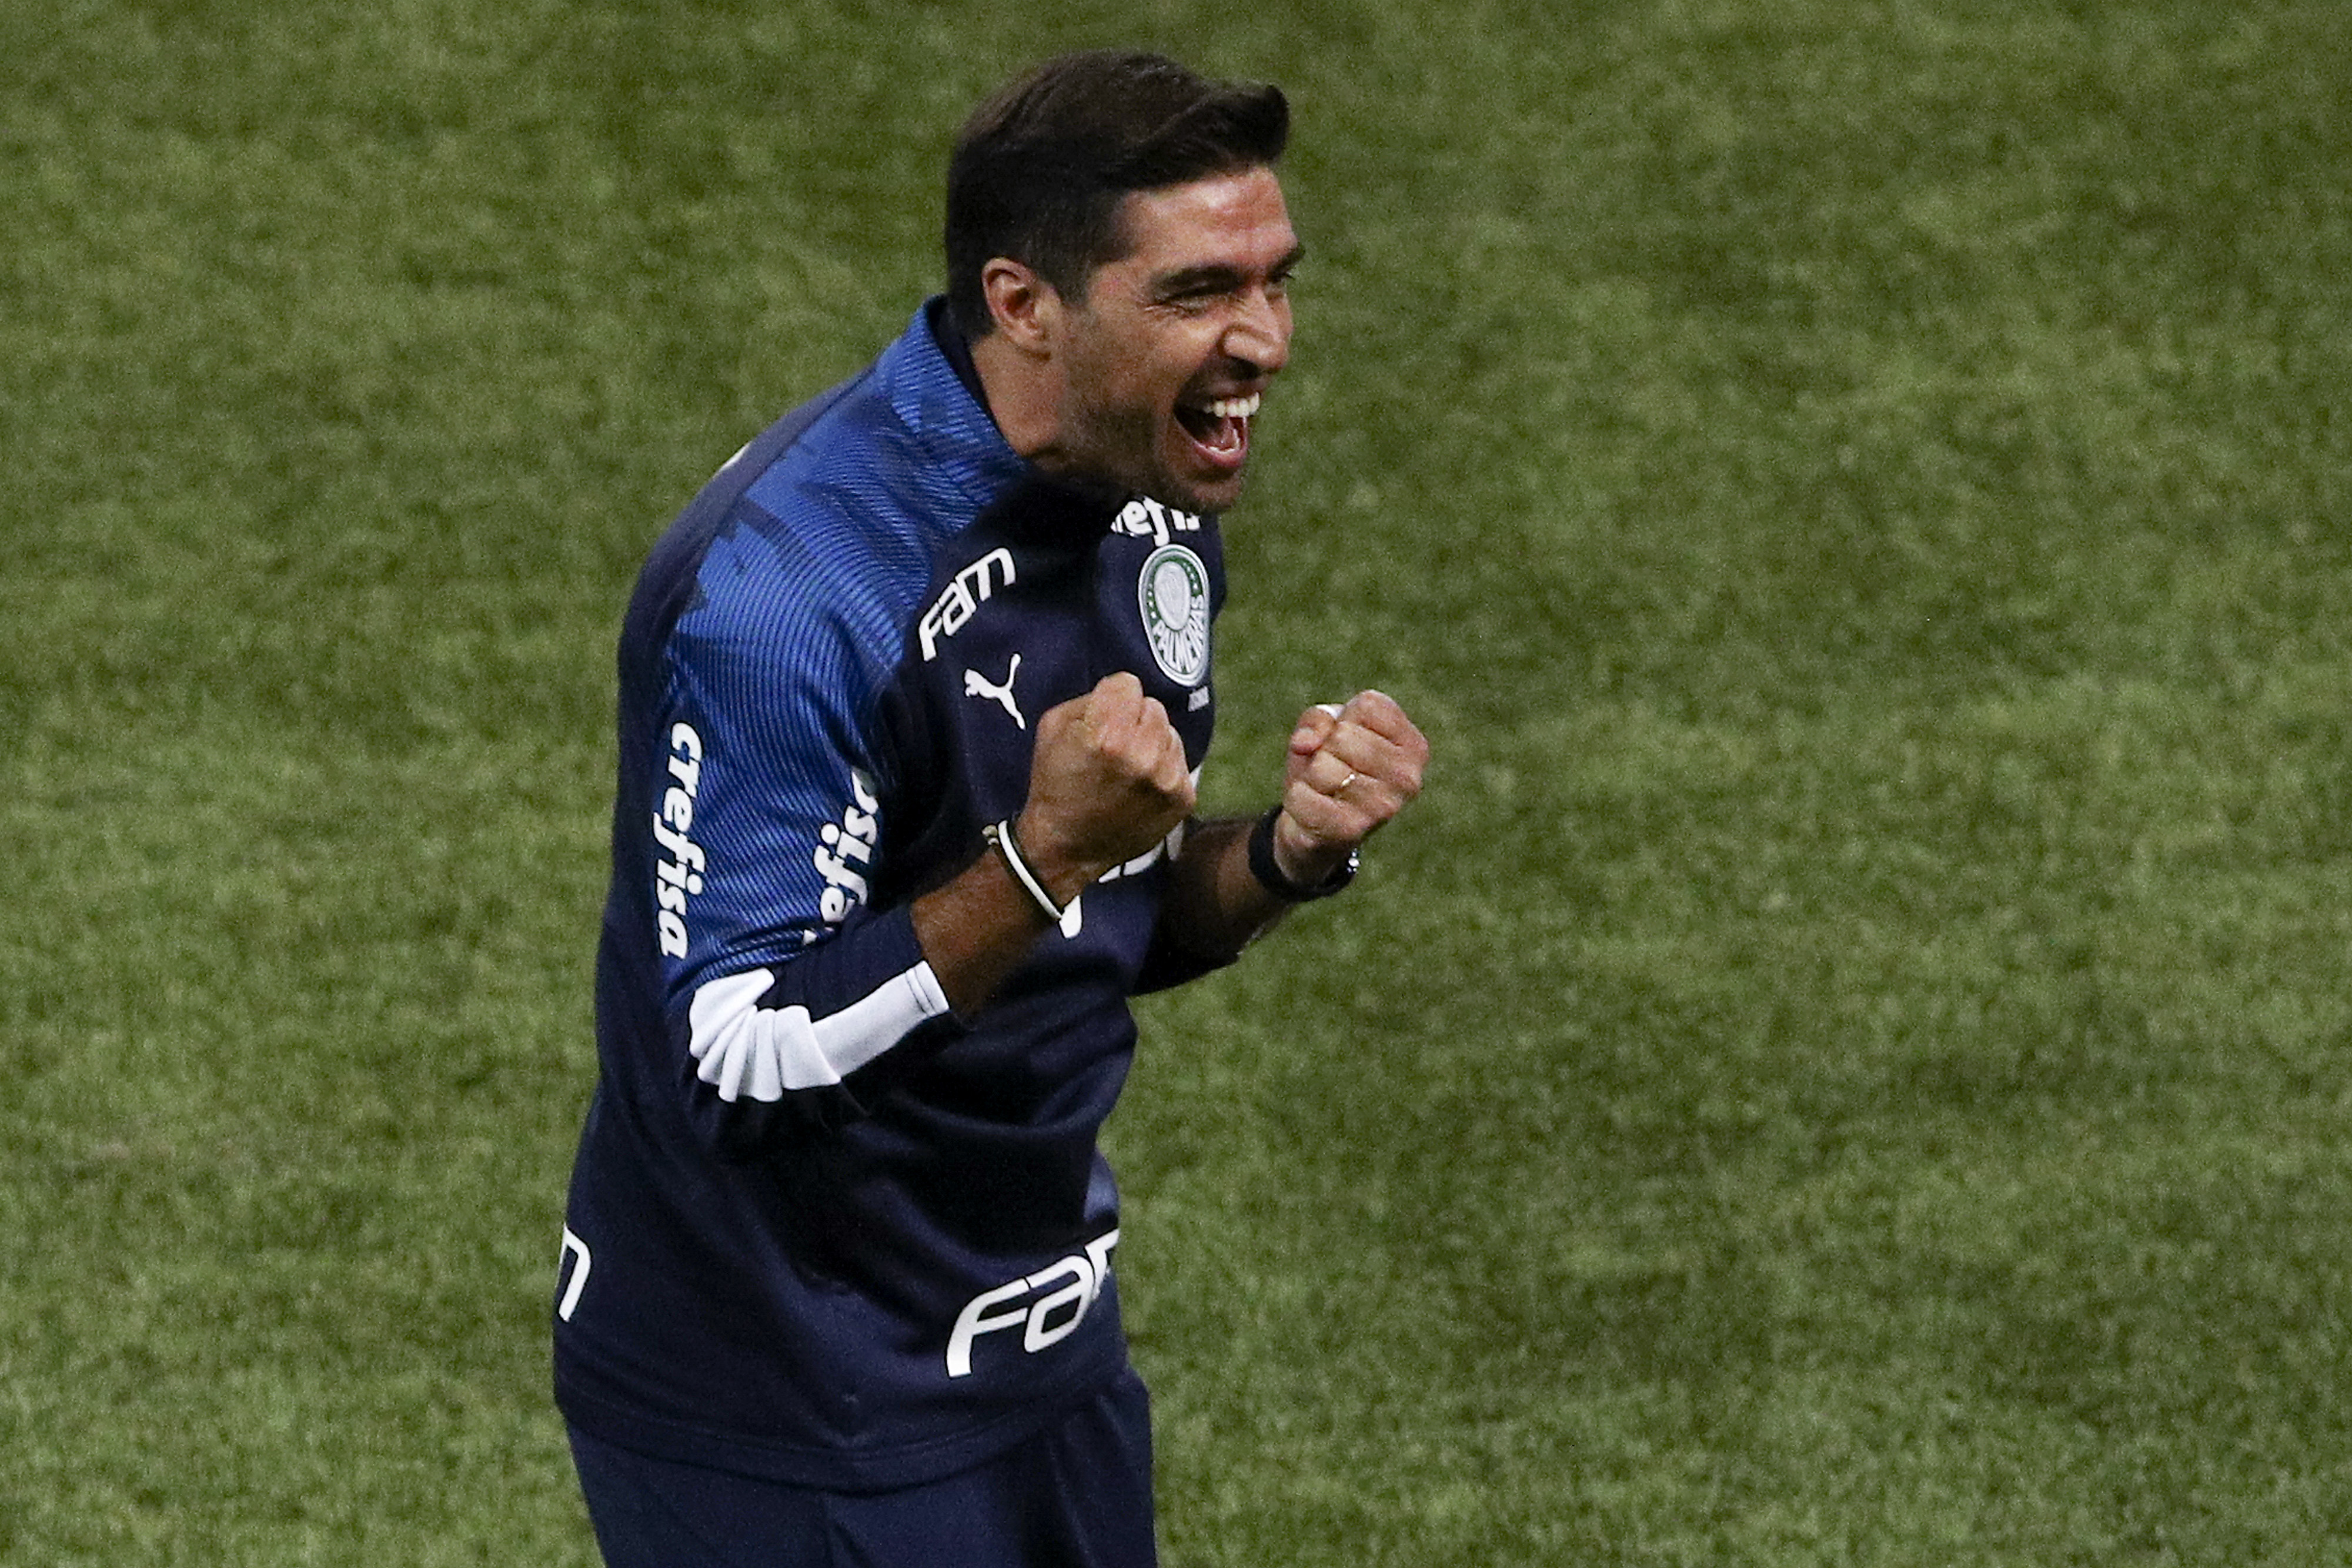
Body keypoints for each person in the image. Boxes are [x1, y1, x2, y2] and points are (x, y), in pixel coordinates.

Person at [552, 48, 1428, 1567]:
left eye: (1278, 281)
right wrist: (1044, 855)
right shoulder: (790, 593)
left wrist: (1287, 854)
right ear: (1025, 304)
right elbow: (740, 1061)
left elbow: (1103, 922)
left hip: (1039, 1355)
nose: (1266, 341)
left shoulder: (1145, 498)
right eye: (1198, 292)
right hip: (793, 1416)